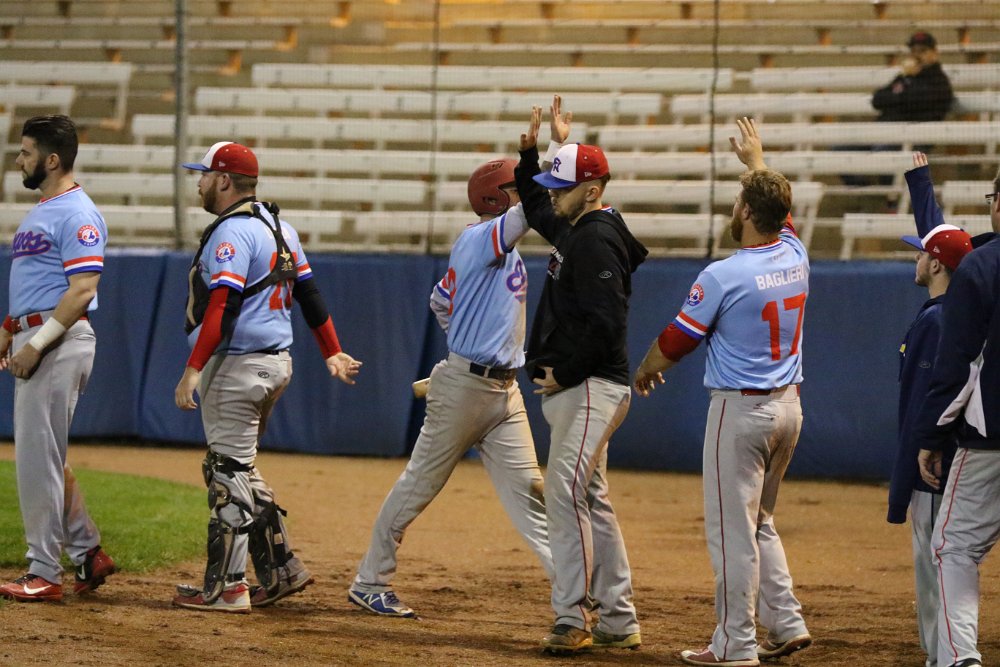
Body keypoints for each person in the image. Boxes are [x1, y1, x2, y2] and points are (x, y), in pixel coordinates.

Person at [634, 117, 811, 667]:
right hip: (789, 408)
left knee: (733, 533)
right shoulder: (795, 254)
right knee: (759, 524)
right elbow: (782, 213)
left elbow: (676, 340)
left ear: (749, 213)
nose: (734, 208)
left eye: (739, 202)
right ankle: (786, 622)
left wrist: (645, 369)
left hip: (742, 413)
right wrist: (756, 163)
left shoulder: (725, 273)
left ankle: (735, 645)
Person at [347, 154, 554, 619]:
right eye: (516, 188)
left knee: (530, 491)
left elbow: (440, 299)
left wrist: (464, 341)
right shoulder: (482, 237)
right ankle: (370, 581)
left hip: (503, 391)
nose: (524, 195)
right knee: (419, 484)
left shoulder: (493, 247)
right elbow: (532, 208)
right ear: (496, 199)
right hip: (466, 388)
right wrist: (551, 150)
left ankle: (574, 592)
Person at [172, 141, 362, 613]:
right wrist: (332, 350)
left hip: (238, 366)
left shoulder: (233, 232)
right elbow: (309, 294)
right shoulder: (281, 227)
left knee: (226, 473)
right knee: (241, 468)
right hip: (276, 363)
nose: (199, 182)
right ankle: (280, 568)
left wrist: (192, 369)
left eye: (203, 174)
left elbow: (223, 306)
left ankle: (229, 587)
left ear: (223, 180)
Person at [514, 95, 647, 654]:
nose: (552, 194)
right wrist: (532, 155)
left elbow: (607, 325)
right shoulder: (580, 225)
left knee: (564, 491)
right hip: (587, 386)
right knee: (591, 498)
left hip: (591, 385)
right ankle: (618, 618)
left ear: (591, 191)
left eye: (561, 187)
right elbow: (537, 207)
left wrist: (564, 373)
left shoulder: (593, 238)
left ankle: (574, 615)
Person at [0, 115, 116, 603]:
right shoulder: (48, 208)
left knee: (36, 459)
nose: (18, 160)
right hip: (38, 334)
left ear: (51, 160)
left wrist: (37, 343)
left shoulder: (78, 213)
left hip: (57, 340)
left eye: (26, 152)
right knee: (47, 455)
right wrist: (10, 329)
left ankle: (44, 571)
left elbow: (83, 289)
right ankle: (87, 552)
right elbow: (39, 283)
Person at [888, 152, 972, 667]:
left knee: (936, 558)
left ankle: (943, 655)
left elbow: (925, 404)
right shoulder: (960, 309)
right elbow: (946, 241)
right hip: (955, 457)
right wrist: (921, 186)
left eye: (920, 254)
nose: (915, 258)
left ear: (936, 264)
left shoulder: (937, 321)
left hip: (935, 463)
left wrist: (911, 470)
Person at [916, 166, 1000, 667]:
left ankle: (958, 658)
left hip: (989, 440)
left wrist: (933, 434)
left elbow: (960, 366)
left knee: (954, 547)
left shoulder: (982, 266)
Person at [872, 32, 954, 124]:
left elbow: (915, 102)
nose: (917, 55)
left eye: (922, 51)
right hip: (890, 128)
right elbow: (877, 100)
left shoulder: (939, 80)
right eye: (913, 51)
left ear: (935, 53)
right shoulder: (905, 76)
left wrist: (896, 96)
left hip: (919, 130)